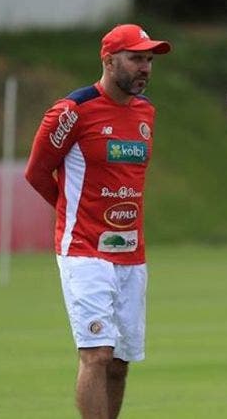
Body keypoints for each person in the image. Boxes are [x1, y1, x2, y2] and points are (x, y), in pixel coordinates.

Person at [25, 24, 170, 419]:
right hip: (84, 250)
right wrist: (74, 214)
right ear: (108, 60)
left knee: (120, 362)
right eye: (136, 58)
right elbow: (37, 172)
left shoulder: (146, 112)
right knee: (97, 354)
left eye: (149, 60)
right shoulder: (71, 111)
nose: (145, 68)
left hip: (132, 254)